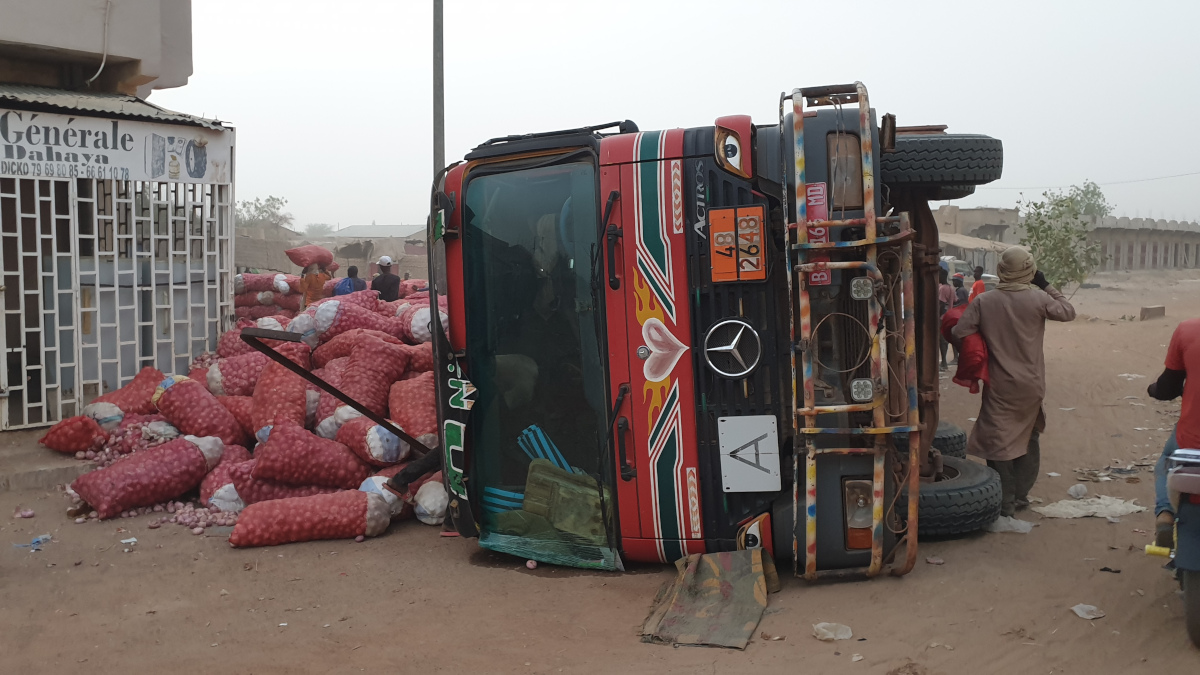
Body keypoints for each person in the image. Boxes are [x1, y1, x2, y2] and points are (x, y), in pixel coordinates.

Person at [951, 247, 1076, 517]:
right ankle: (1020, 496)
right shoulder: (1039, 298)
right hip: (1031, 384)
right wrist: (1045, 284)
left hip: (999, 385)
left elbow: (960, 331)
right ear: (1030, 270)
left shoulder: (985, 301)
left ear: (1001, 271)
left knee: (997, 441)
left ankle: (1005, 500)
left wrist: (983, 343)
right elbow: (1068, 311)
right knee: (1028, 435)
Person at [1147, 317, 1200, 547]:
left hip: (1193, 439)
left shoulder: (1189, 330)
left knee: (1167, 461)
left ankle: (1165, 514)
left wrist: (1154, 390)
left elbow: (1168, 388)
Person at [938, 268, 955, 370]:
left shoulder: (943, 288)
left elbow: (941, 303)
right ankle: (944, 362)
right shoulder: (951, 288)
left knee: (941, 339)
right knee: (945, 339)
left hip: (942, 317)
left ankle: (943, 362)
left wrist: (937, 316)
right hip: (949, 315)